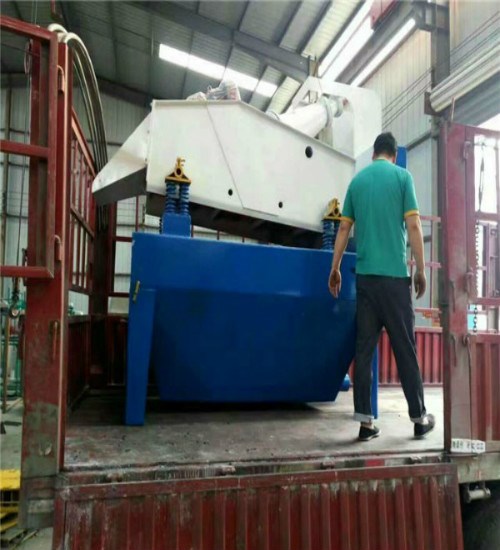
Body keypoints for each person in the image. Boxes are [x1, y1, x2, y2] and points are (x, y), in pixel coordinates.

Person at [328, 132, 435, 442]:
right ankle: (418, 418)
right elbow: (413, 225)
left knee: (363, 351)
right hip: (394, 281)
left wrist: (334, 268)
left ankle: (365, 422)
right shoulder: (402, 178)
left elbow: (344, 228)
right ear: (393, 154)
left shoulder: (357, 182)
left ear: (375, 153)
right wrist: (421, 269)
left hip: (366, 281)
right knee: (405, 349)